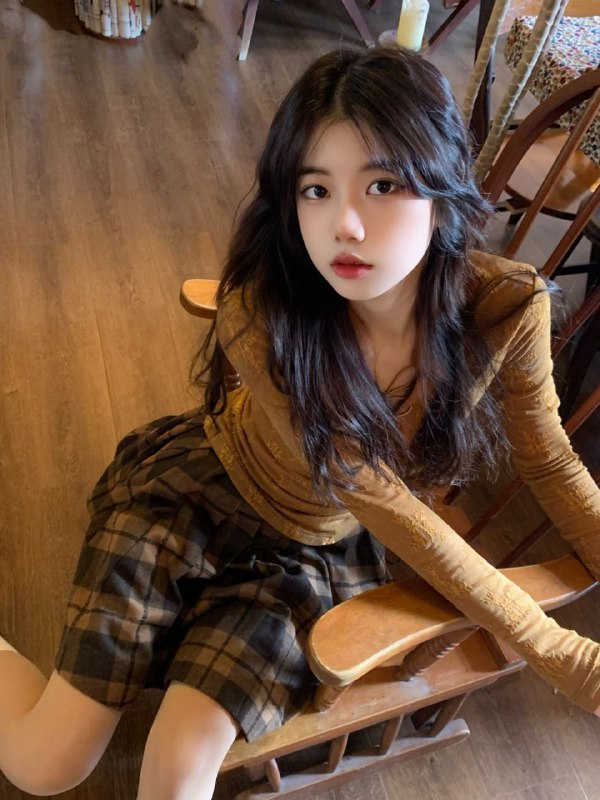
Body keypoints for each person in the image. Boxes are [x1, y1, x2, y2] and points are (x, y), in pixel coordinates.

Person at [1, 46, 599, 800]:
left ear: (441, 188)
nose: (343, 224)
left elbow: (549, 461)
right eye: (315, 189)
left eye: (382, 184)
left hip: (312, 554)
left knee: (178, 772)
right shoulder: (261, 311)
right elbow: (381, 498)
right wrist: (562, 655)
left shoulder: (507, 308)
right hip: (196, 499)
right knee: (46, 765)